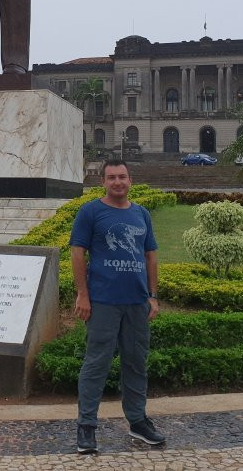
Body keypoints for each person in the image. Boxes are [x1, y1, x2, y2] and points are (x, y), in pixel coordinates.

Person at [69, 159, 165, 453]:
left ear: (130, 180)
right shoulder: (90, 212)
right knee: (96, 363)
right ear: (103, 182)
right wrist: (82, 294)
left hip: (136, 302)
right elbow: (77, 253)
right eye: (111, 177)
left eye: (122, 177)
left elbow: (150, 256)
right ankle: (86, 426)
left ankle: (138, 422)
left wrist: (153, 296)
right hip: (103, 302)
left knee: (136, 363)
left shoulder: (141, 214)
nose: (117, 182)